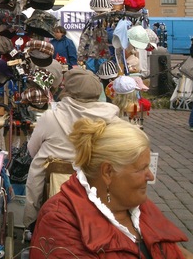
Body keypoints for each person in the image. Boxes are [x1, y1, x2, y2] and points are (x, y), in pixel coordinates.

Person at [31, 118, 193, 259]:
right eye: (141, 169)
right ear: (108, 172)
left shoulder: (136, 205)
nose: (151, 176)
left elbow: (169, 249)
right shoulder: (60, 221)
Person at [23, 68, 121, 231]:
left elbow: (32, 150)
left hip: (54, 182)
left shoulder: (51, 116)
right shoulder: (112, 119)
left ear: (68, 90)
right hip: (96, 182)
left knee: (37, 170)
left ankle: (32, 222)